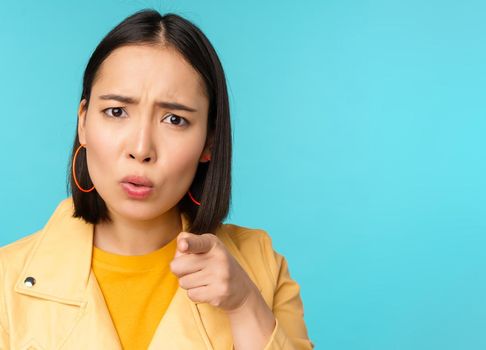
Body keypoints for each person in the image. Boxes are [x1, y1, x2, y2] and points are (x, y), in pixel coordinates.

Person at [0, 9, 313, 350]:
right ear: (83, 123)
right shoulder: (5, 278)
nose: (141, 148)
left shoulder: (261, 265)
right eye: (116, 111)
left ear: (209, 141)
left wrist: (244, 305)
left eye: (174, 119)